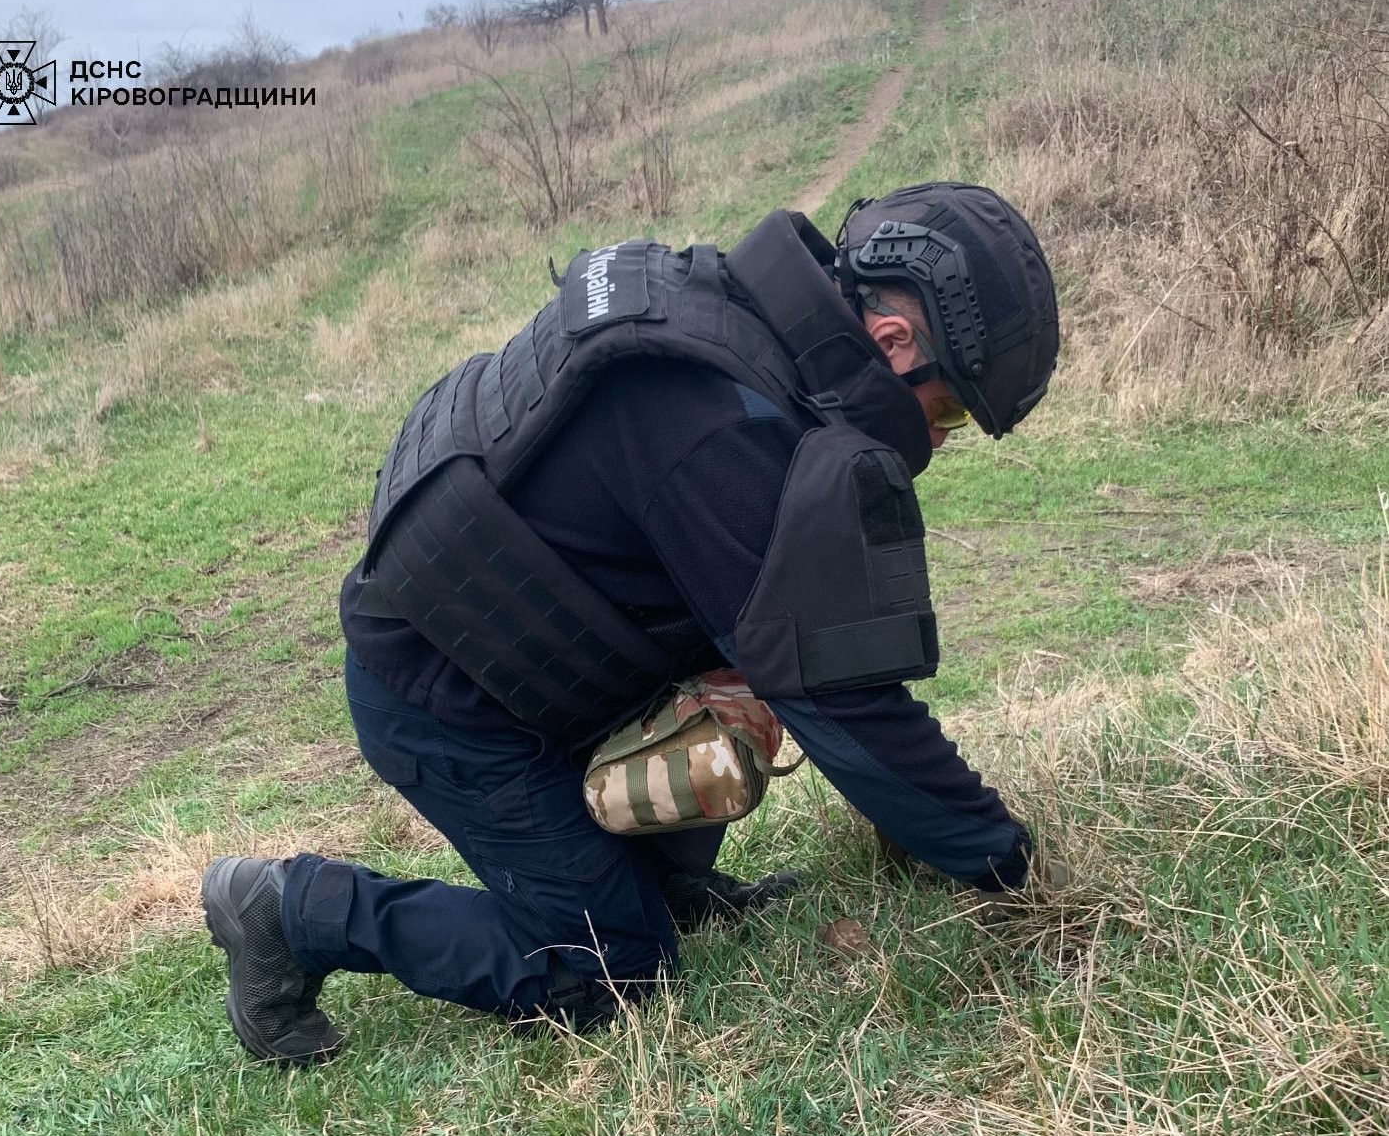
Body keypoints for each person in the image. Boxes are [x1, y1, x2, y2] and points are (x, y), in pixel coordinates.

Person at [202, 182, 1063, 1064]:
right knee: (613, 972)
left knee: (739, 671)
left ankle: (656, 880)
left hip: (534, 651)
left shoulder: (737, 324)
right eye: (950, 410)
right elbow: (842, 702)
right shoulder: (723, 432)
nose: (942, 438)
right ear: (891, 343)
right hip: (446, 701)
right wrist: (1004, 862)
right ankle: (291, 911)